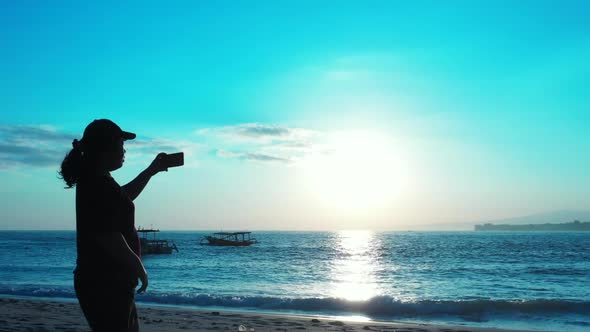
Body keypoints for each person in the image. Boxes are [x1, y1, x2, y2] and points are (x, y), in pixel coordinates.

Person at [59, 119, 168, 331]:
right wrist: (139, 266)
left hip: (107, 280)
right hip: (105, 282)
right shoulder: (96, 183)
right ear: (104, 149)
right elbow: (108, 235)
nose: (124, 151)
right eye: (121, 146)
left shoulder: (99, 180)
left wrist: (151, 171)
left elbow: (123, 199)